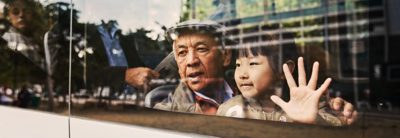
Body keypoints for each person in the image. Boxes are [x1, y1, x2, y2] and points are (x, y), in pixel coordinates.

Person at [154, 20, 357, 125]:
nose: (190, 61)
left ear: (225, 57)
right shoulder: (173, 103)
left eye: (201, 49)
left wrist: (320, 119)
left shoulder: (303, 103)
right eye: (181, 53)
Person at [216, 37, 348, 125]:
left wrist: (314, 122)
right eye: (238, 65)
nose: (242, 74)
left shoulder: (308, 105)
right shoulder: (229, 109)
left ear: (283, 70)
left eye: (253, 63)